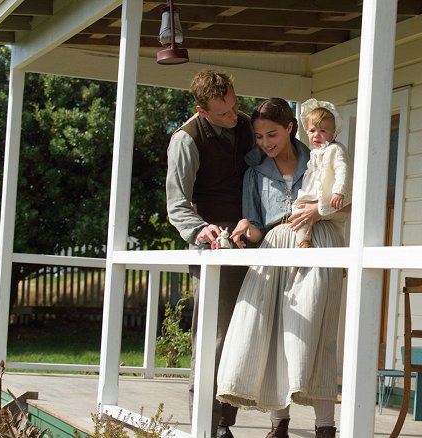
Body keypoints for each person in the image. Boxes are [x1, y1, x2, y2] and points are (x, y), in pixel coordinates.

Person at [216, 98, 347, 438]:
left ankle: (325, 427)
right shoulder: (254, 173)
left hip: (319, 244)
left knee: (317, 333)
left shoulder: (322, 154)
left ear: (291, 128)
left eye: (271, 134)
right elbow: (259, 225)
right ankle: (278, 425)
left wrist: (316, 213)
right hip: (276, 248)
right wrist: (247, 228)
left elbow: (346, 198)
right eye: (259, 137)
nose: (265, 143)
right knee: (276, 332)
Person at [166, 70, 253, 438]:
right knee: (215, 338)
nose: (234, 116)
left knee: (246, 336)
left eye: (234, 105)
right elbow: (177, 204)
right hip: (215, 247)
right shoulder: (185, 140)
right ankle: (207, 424)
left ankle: (226, 424)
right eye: (223, 113)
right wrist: (200, 229)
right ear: (202, 111)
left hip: (256, 241)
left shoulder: (251, 125)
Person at [292, 98, 351, 248]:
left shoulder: (335, 150)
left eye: (322, 131)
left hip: (331, 200)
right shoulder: (314, 153)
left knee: (337, 230)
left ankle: (340, 262)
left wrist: (338, 191)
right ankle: (304, 241)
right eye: (312, 131)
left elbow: (342, 170)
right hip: (314, 198)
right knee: (298, 211)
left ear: (333, 133)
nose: (316, 135)